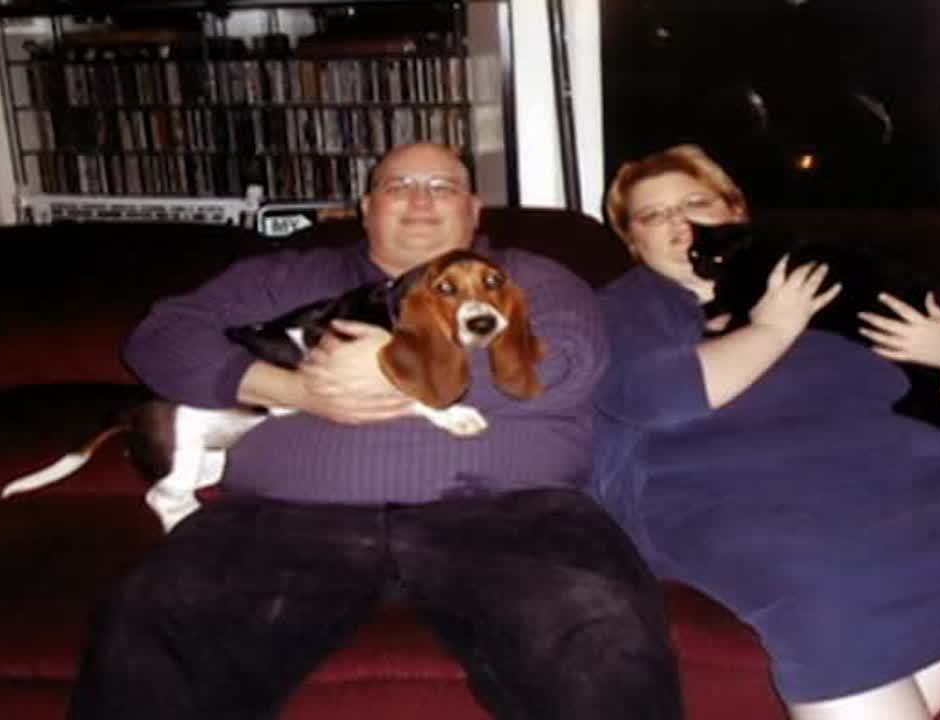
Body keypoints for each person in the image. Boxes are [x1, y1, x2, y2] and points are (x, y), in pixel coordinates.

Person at [68, 143, 682, 720]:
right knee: (154, 628)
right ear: (367, 208)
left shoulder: (527, 276)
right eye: (399, 185)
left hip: (513, 511)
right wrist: (296, 389)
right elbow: (159, 339)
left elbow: (571, 361)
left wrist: (397, 372)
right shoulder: (285, 276)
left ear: (474, 211)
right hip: (283, 516)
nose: (420, 199)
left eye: (442, 186)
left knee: (603, 633)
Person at [591, 144, 940, 719]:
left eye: (696, 203)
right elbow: (654, 397)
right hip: (733, 494)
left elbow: (922, 392)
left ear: (735, 210)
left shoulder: (817, 275)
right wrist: (773, 329)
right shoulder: (622, 309)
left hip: (897, 479)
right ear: (633, 242)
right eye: (653, 216)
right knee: (827, 593)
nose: (680, 223)